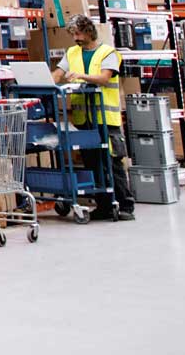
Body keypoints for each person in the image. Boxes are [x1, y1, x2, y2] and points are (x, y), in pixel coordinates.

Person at [52, 14, 135, 221]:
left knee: (112, 162)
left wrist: (81, 76)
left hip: (106, 119)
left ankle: (125, 205)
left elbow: (105, 78)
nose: (76, 39)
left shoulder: (109, 53)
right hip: (84, 119)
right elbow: (59, 73)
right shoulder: (72, 53)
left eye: (78, 34)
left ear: (89, 32)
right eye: (73, 35)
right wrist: (47, 82)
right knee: (92, 162)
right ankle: (103, 206)